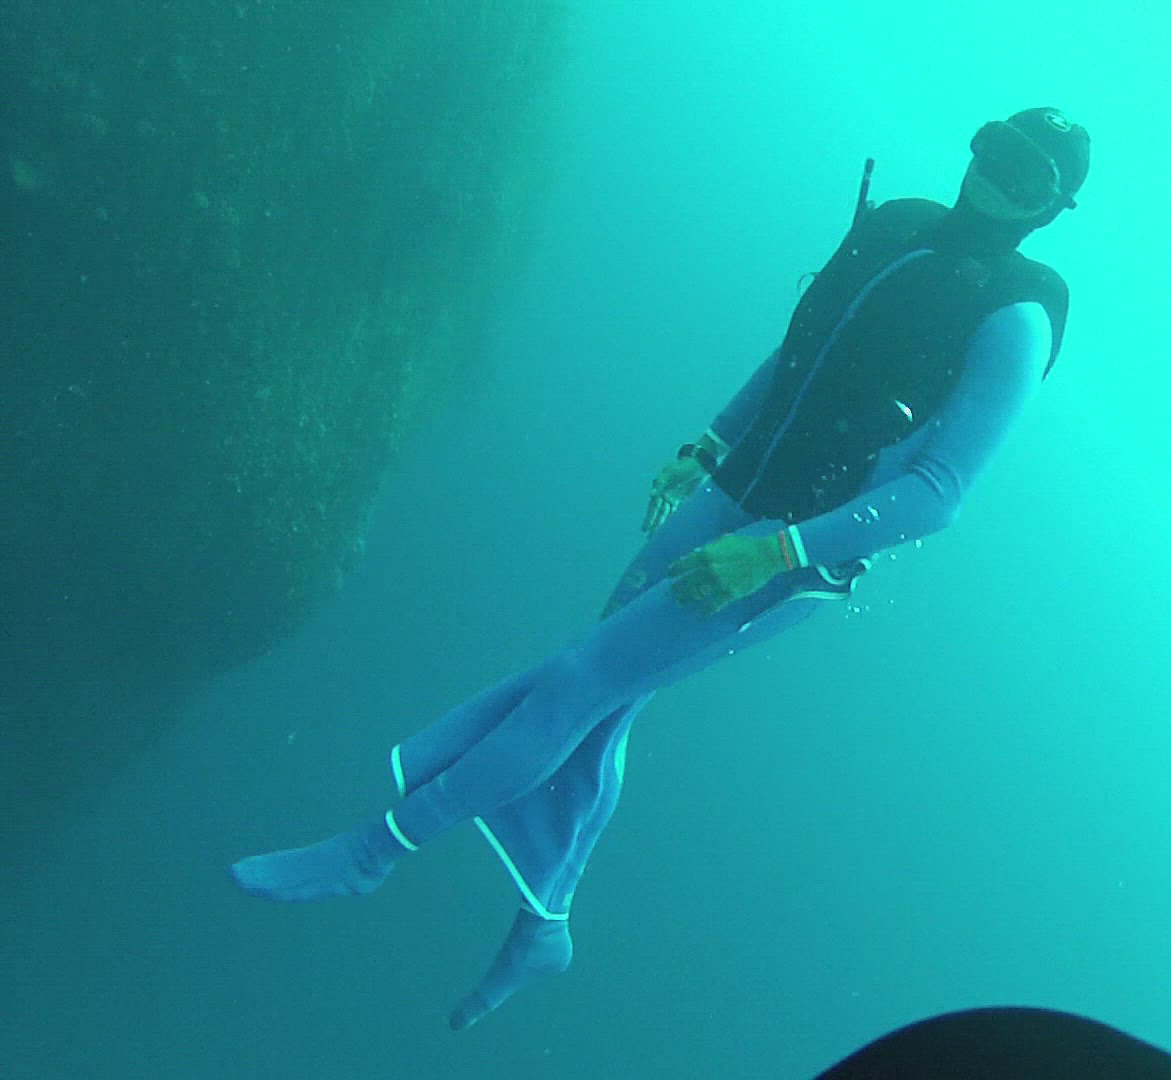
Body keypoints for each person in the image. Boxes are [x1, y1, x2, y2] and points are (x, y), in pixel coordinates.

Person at [229, 107, 1093, 1030]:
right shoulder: (900, 222)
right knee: (601, 699)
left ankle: (371, 854)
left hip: (791, 553)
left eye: (1030, 176)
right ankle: (544, 925)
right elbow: (801, 350)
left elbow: (940, 492)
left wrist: (778, 551)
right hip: (729, 495)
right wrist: (708, 444)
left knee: (578, 680)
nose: (1000, 176)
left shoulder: (1020, 312)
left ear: (1053, 208)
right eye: (998, 149)